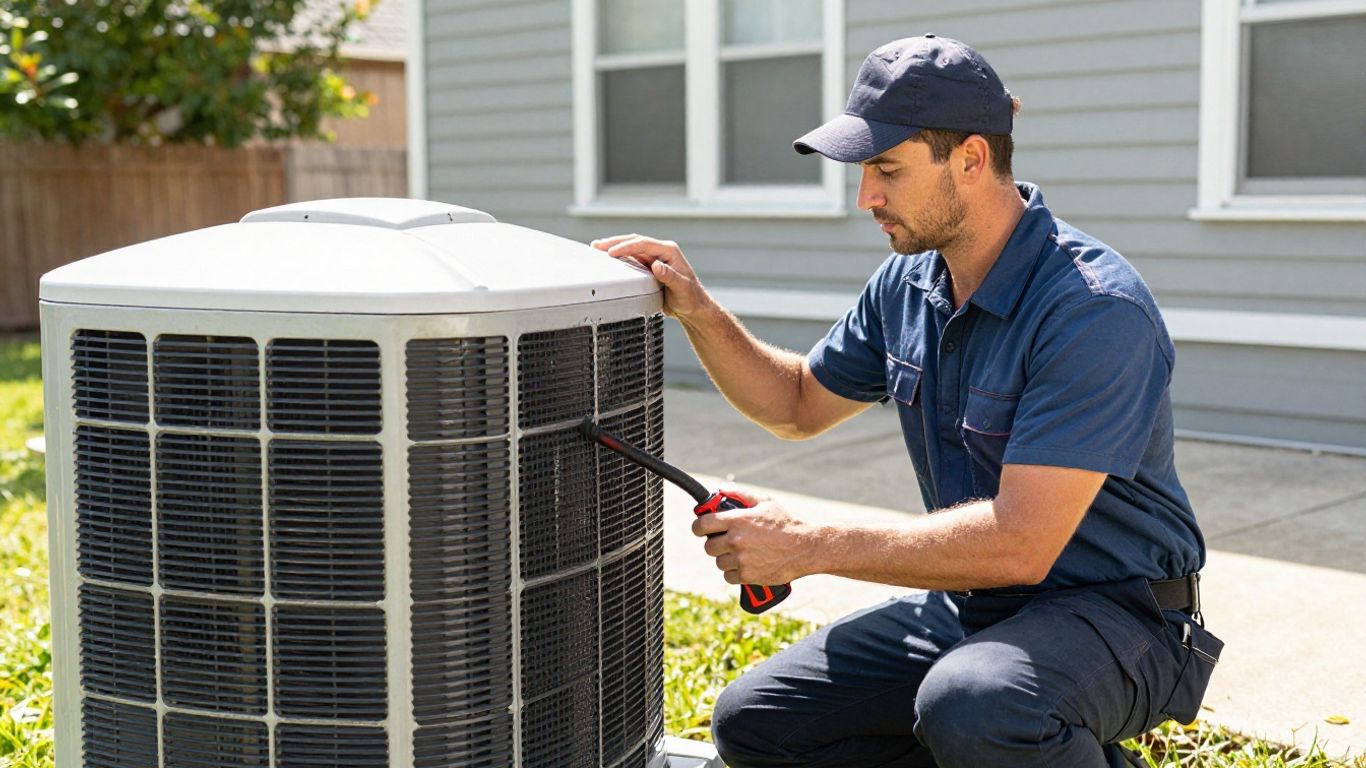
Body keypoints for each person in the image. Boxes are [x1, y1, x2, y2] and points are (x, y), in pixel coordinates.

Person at [592, 35, 1222, 768]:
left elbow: (1023, 540)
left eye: (887, 169)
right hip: (977, 601)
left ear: (972, 160)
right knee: (758, 720)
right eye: (865, 171)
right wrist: (697, 309)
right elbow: (796, 403)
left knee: (979, 705)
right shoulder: (909, 285)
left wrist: (809, 545)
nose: (868, 197)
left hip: (1124, 615)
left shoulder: (1091, 310)